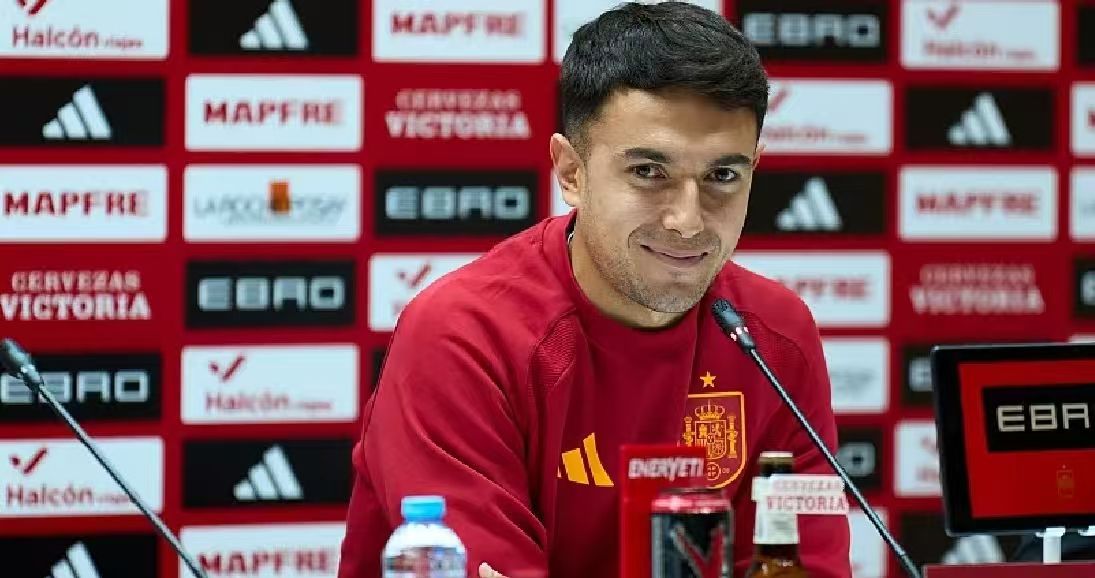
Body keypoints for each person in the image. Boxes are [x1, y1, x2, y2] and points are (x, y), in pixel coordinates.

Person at [337, 2, 851, 577]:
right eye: (648, 172)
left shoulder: (775, 336)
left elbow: (808, 565)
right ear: (571, 172)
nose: (688, 221)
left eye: (722, 176)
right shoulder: (463, 336)